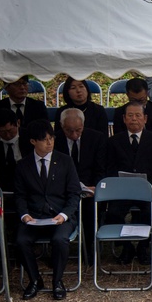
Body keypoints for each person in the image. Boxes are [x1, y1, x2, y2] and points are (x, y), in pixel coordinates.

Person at [13, 120, 81, 301]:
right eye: (44, 140)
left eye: (51, 138)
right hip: (34, 216)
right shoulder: (23, 165)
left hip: (60, 215)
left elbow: (74, 193)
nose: (49, 143)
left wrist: (64, 214)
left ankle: (57, 281)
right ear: (33, 141)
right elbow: (19, 195)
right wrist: (24, 214)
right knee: (21, 240)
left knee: (60, 239)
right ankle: (35, 279)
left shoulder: (65, 161)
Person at [105, 101, 152, 263]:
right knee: (112, 213)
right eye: (130, 116)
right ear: (124, 119)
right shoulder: (114, 142)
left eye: (138, 115)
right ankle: (126, 247)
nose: (134, 119)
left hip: (149, 190)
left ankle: (143, 246)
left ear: (145, 118)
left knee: (149, 211)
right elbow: (110, 168)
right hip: (122, 191)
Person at [54, 108, 107, 262]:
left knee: (91, 208)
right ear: (61, 126)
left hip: (90, 188)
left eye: (78, 130)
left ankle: (90, 250)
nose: (74, 135)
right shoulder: (55, 140)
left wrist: (95, 187)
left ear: (83, 125)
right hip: (63, 189)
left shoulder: (97, 138)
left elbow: (101, 168)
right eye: (69, 131)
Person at [0, 108, 29, 191]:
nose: (7, 135)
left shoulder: (29, 138)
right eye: (2, 132)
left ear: (18, 123)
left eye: (10, 130)